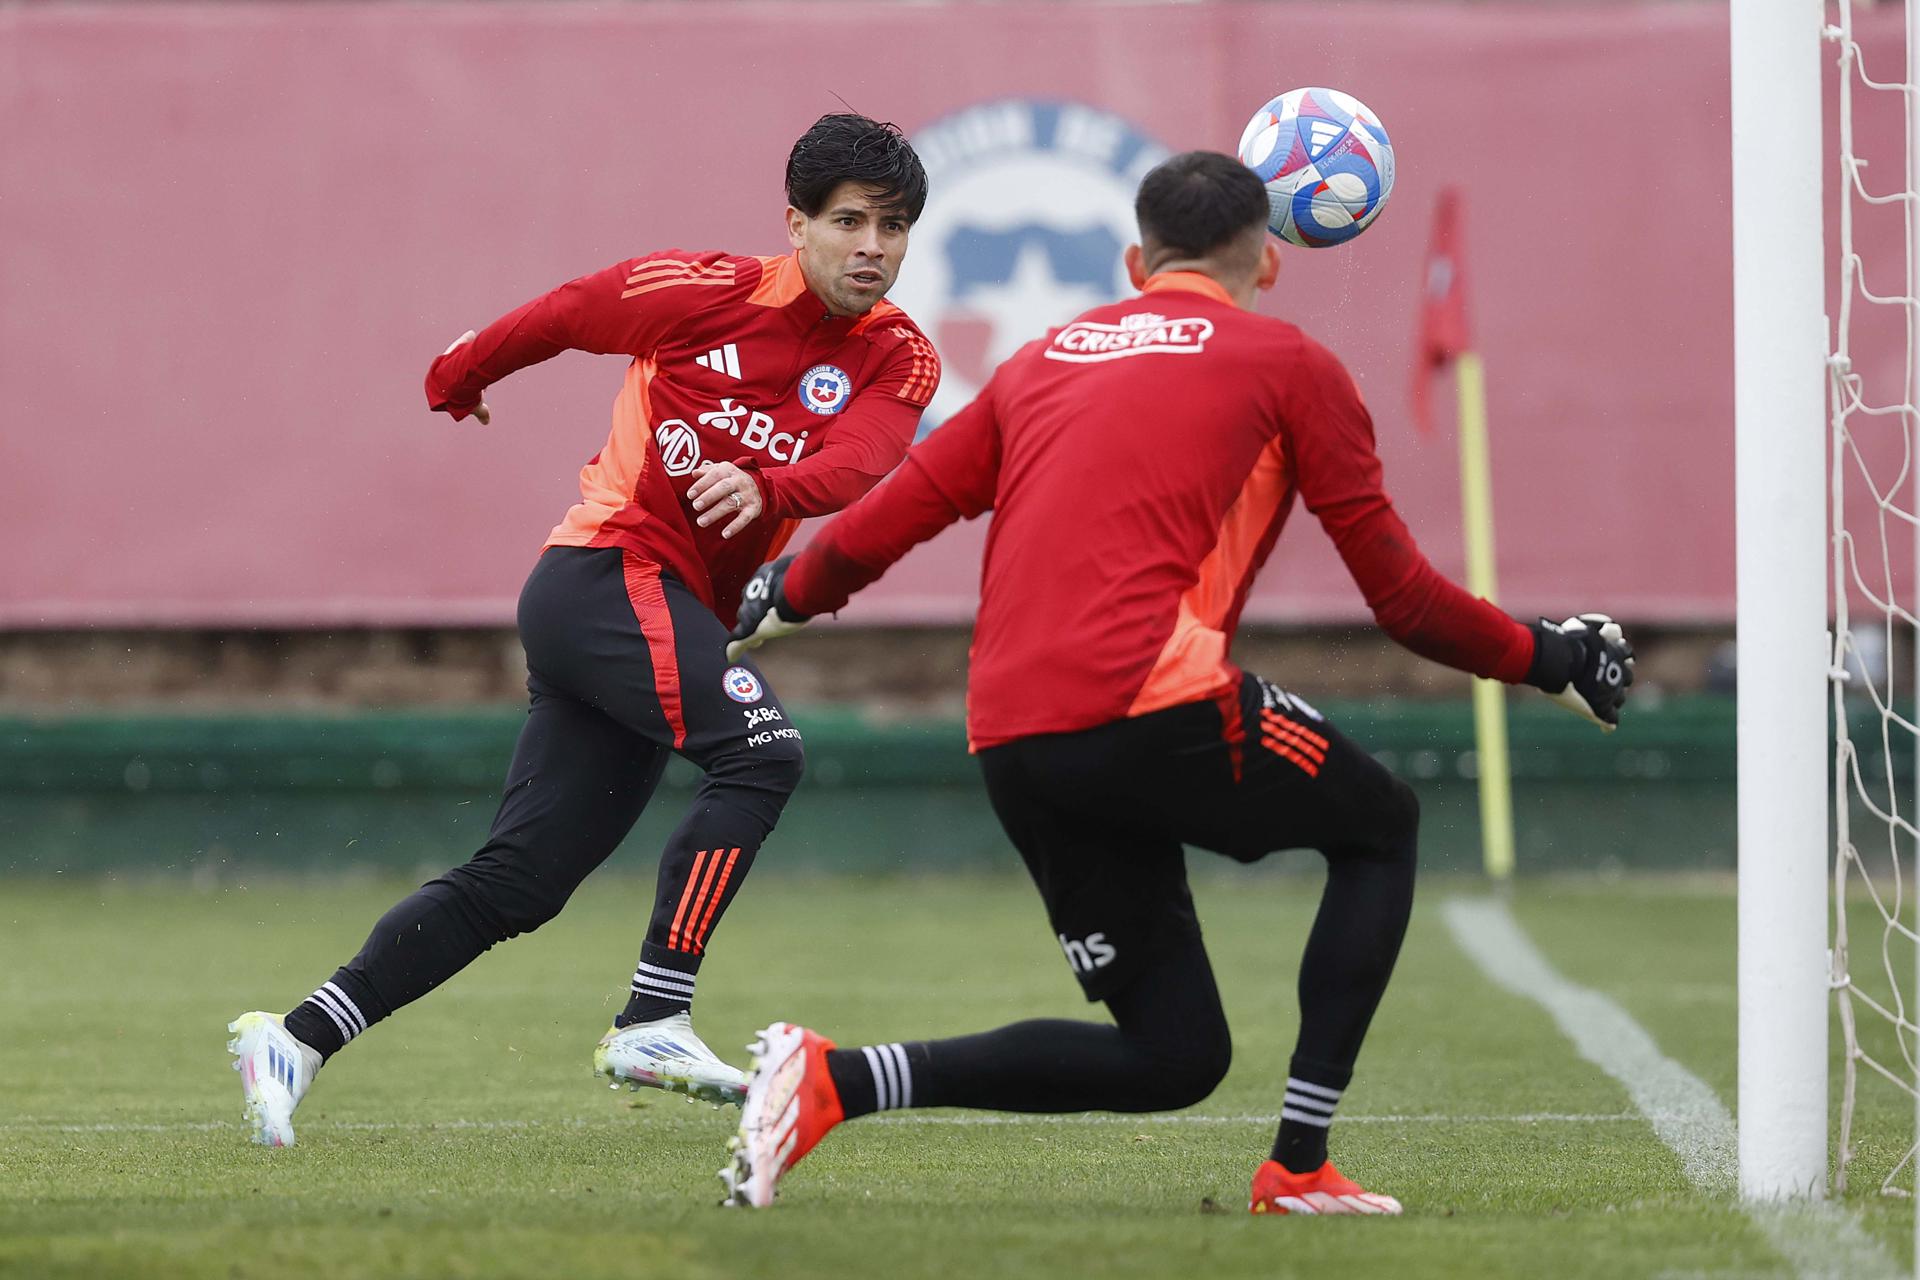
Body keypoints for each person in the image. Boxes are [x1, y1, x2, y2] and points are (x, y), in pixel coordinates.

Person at [716, 151, 1633, 1214]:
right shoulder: (1290, 362)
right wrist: (1555, 658)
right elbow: (1403, 600)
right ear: (1270, 264)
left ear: (1133, 259)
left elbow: (898, 511)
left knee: (1174, 1054)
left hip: (1014, 737)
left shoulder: (1041, 360)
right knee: (1380, 825)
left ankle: (834, 1079)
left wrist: (780, 599)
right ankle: (1298, 1166)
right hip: (1155, 707)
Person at [226, 113, 941, 1147]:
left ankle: (293, 1039)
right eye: (850, 221)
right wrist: (458, 376)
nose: (873, 246)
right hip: (604, 576)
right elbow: (566, 313)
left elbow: (868, 459)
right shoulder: (701, 292)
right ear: (795, 223)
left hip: (653, 614)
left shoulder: (898, 356)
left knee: (519, 881)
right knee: (763, 751)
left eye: (894, 226)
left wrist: (775, 482)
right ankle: (655, 1013)